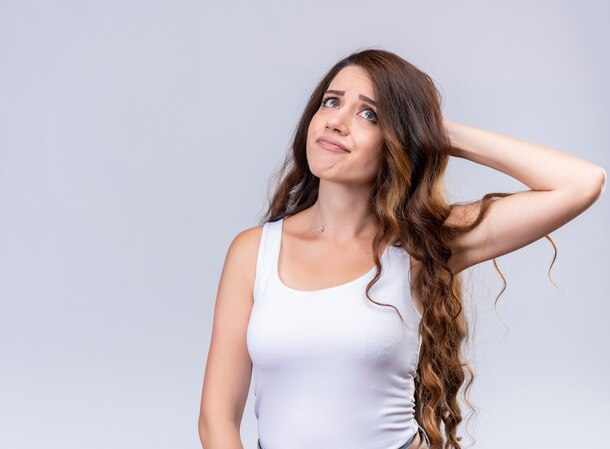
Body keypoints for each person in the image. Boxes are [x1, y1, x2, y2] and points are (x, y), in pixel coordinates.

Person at [197, 48, 606, 449]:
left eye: (369, 114)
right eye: (332, 102)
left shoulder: (419, 246)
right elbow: (216, 420)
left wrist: (437, 132)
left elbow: (581, 183)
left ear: (398, 139)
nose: (337, 122)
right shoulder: (254, 252)